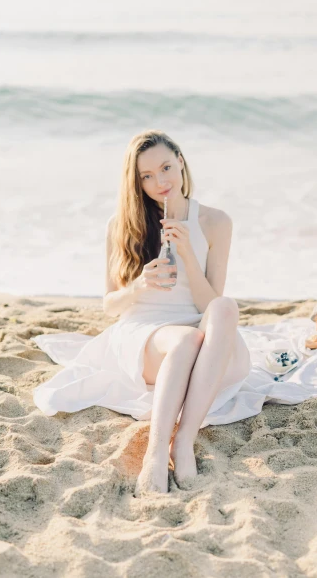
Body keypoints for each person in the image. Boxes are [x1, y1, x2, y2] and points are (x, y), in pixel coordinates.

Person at [32, 130, 251, 495]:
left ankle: (183, 442)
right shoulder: (122, 224)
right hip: (146, 331)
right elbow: (109, 305)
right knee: (186, 340)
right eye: (146, 176)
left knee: (225, 308)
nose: (159, 182)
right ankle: (156, 452)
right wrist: (137, 286)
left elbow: (209, 305)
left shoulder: (215, 222)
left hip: (198, 327)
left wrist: (188, 257)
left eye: (165, 168)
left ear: (181, 161)